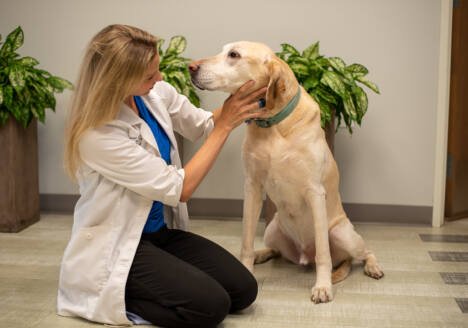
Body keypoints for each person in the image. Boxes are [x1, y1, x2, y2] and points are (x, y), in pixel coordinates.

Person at [59, 24, 267, 328]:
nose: (159, 79)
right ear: (118, 80)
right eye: (149, 76)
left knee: (243, 290)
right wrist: (225, 128)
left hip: (159, 234)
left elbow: (202, 125)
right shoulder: (97, 135)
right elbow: (178, 188)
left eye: (156, 69)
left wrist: (239, 99)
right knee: (211, 308)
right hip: (117, 245)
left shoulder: (154, 93)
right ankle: (108, 293)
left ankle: (164, 281)